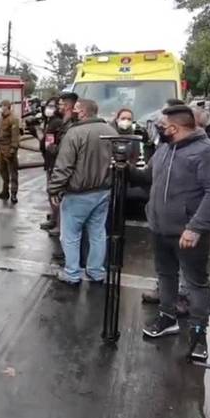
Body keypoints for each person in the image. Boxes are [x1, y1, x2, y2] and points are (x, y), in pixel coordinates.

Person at [133, 105, 210, 361]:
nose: (159, 130)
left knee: (196, 283)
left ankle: (199, 335)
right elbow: (146, 176)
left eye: (162, 126)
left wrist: (195, 227)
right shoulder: (165, 149)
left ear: (174, 128)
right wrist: (121, 168)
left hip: (188, 233)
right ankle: (167, 317)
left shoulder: (209, 152)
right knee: (165, 275)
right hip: (159, 228)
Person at [47, 99, 118, 284]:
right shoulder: (111, 131)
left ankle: (72, 273)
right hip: (103, 191)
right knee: (97, 233)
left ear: (84, 112)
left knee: (70, 235)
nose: (73, 112)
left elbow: (64, 166)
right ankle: (96, 272)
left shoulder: (75, 133)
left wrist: (54, 189)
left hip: (78, 193)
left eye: (76, 109)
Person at [42, 93, 79, 236]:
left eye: (61, 104)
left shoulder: (69, 125)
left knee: (59, 196)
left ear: (69, 106)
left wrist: (51, 146)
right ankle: (57, 223)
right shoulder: (63, 122)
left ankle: (61, 228)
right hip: (54, 162)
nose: (59, 107)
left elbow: (64, 149)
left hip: (62, 164)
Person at [0, 100, 21, 204]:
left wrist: (13, 149)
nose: (1, 108)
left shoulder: (13, 119)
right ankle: (5, 192)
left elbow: (15, 136)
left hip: (9, 150)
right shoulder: (1, 119)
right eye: (0, 106)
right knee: (3, 172)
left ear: (7, 107)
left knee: (13, 173)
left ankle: (14, 194)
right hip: (1, 149)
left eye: (2, 106)